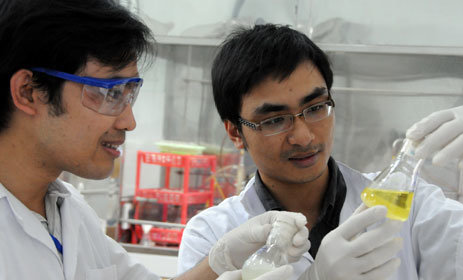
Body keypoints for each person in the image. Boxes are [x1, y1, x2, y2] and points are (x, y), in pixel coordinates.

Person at [0, 1, 309, 279]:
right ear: (28, 91)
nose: (128, 121)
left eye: (129, 94)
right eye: (110, 94)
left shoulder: (68, 210)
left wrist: (221, 261)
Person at [177, 24, 463, 279]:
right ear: (236, 131)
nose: (303, 137)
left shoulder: (409, 207)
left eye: (316, 107)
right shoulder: (215, 235)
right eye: (275, 119)